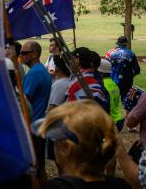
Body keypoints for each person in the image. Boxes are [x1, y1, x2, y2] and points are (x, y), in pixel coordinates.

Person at [36, 100, 130, 189]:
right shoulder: (121, 185)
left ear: (67, 148)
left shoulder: (58, 187)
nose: (54, 145)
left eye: (56, 139)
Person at [20, 40, 51, 186]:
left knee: (34, 168)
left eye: (24, 53)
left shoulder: (34, 74)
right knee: (40, 166)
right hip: (40, 124)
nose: (20, 56)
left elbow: (24, 102)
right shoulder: (40, 69)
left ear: (34, 54)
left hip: (32, 125)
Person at [67, 47, 110, 111]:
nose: (69, 62)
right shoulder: (83, 79)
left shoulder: (83, 82)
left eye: (72, 59)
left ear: (77, 61)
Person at [99, 58, 125, 131]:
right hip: (119, 120)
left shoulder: (102, 85)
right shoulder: (113, 84)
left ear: (101, 73)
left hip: (110, 122)